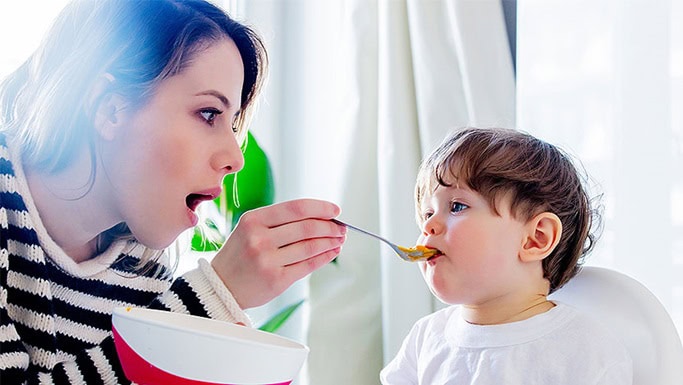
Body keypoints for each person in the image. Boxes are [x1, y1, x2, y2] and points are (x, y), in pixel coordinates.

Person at [0, 0, 346, 383]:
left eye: (232, 124)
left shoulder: (140, 263)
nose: (235, 158)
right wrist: (211, 298)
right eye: (209, 113)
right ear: (110, 110)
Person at [380, 127, 632, 384]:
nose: (428, 226)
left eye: (456, 206)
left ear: (536, 238)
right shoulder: (426, 338)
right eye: (427, 213)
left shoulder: (585, 351)